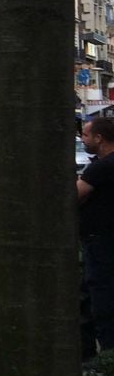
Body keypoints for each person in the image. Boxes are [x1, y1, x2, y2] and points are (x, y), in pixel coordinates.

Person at [78, 117, 114, 357]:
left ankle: (103, 358)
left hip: (100, 242)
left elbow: (74, 195)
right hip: (103, 239)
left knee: (100, 300)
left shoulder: (102, 167)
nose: (83, 139)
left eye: (86, 135)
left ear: (99, 138)